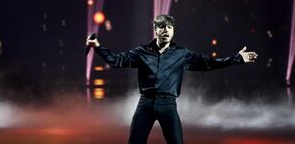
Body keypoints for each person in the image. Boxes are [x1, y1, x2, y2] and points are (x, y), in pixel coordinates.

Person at [86, 14, 258, 144]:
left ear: (173, 30)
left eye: (169, 27)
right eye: (162, 27)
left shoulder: (181, 53)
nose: (166, 30)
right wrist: (98, 47)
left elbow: (208, 63)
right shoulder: (142, 52)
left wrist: (237, 58)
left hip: (168, 104)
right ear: (155, 30)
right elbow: (116, 61)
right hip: (145, 104)